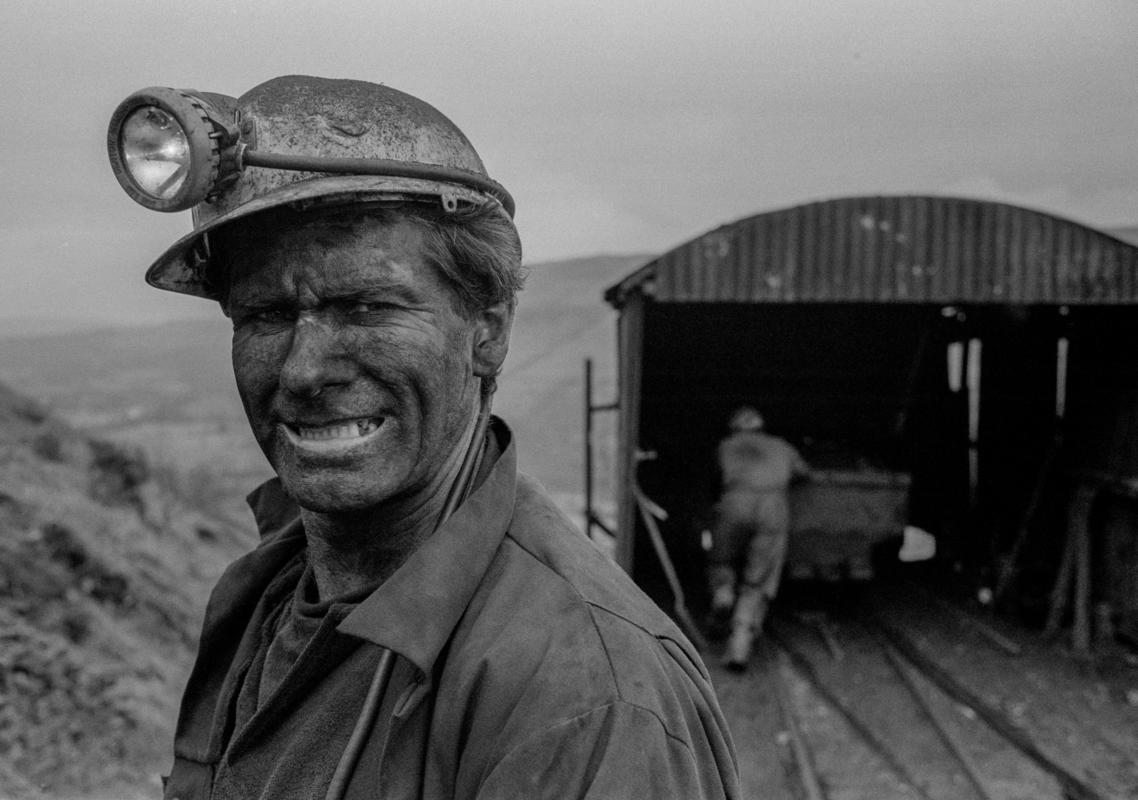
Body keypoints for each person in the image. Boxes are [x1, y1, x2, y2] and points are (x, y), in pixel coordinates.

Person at [107, 76, 740, 799]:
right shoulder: (270, 589)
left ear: (488, 330)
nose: (304, 368)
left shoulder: (585, 697)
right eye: (265, 316)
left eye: (366, 305)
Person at [707, 406, 809, 671]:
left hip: (734, 502)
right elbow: (802, 472)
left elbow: (714, 477)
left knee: (722, 558)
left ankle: (723, 594)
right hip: (771, 508)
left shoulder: (726, 446)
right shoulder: (781, 446)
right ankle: (739, 647)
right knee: (757, 579)